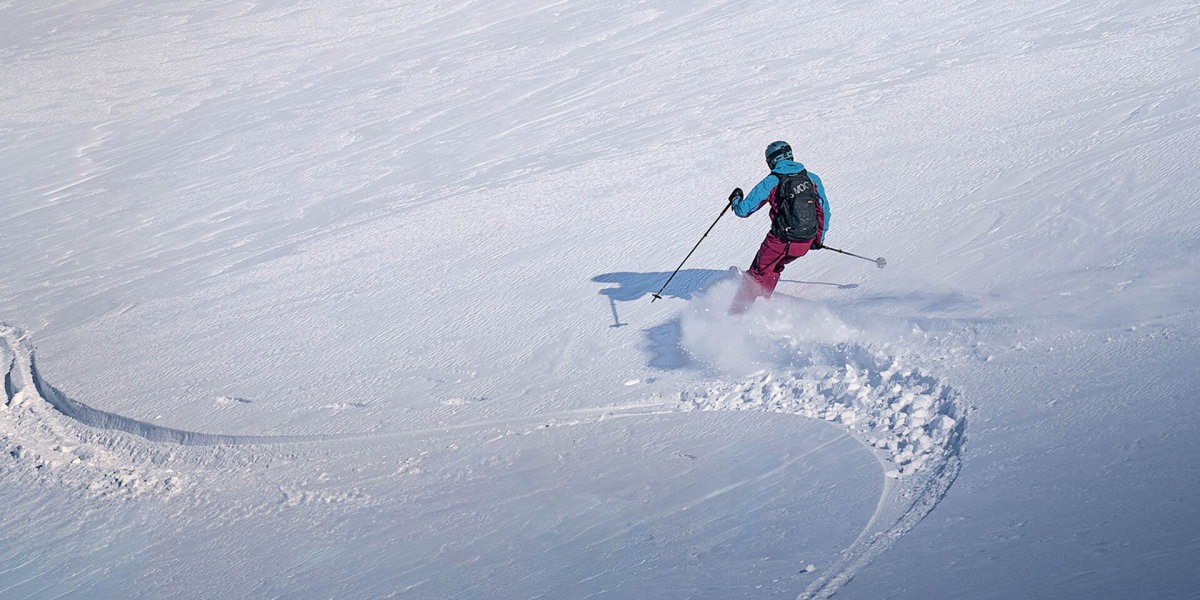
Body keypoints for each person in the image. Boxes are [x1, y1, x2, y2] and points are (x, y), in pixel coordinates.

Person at [727, 141, 830, 314]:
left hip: (780, 241)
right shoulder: (812, 178)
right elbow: (824, 211)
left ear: (771, 161)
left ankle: (736, 315)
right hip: (805, 242)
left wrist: (735, 200)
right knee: (775, 267)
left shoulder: (772, 181)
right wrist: (817, 239)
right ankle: (761, 303)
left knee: (756, 274)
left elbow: (744, 211)